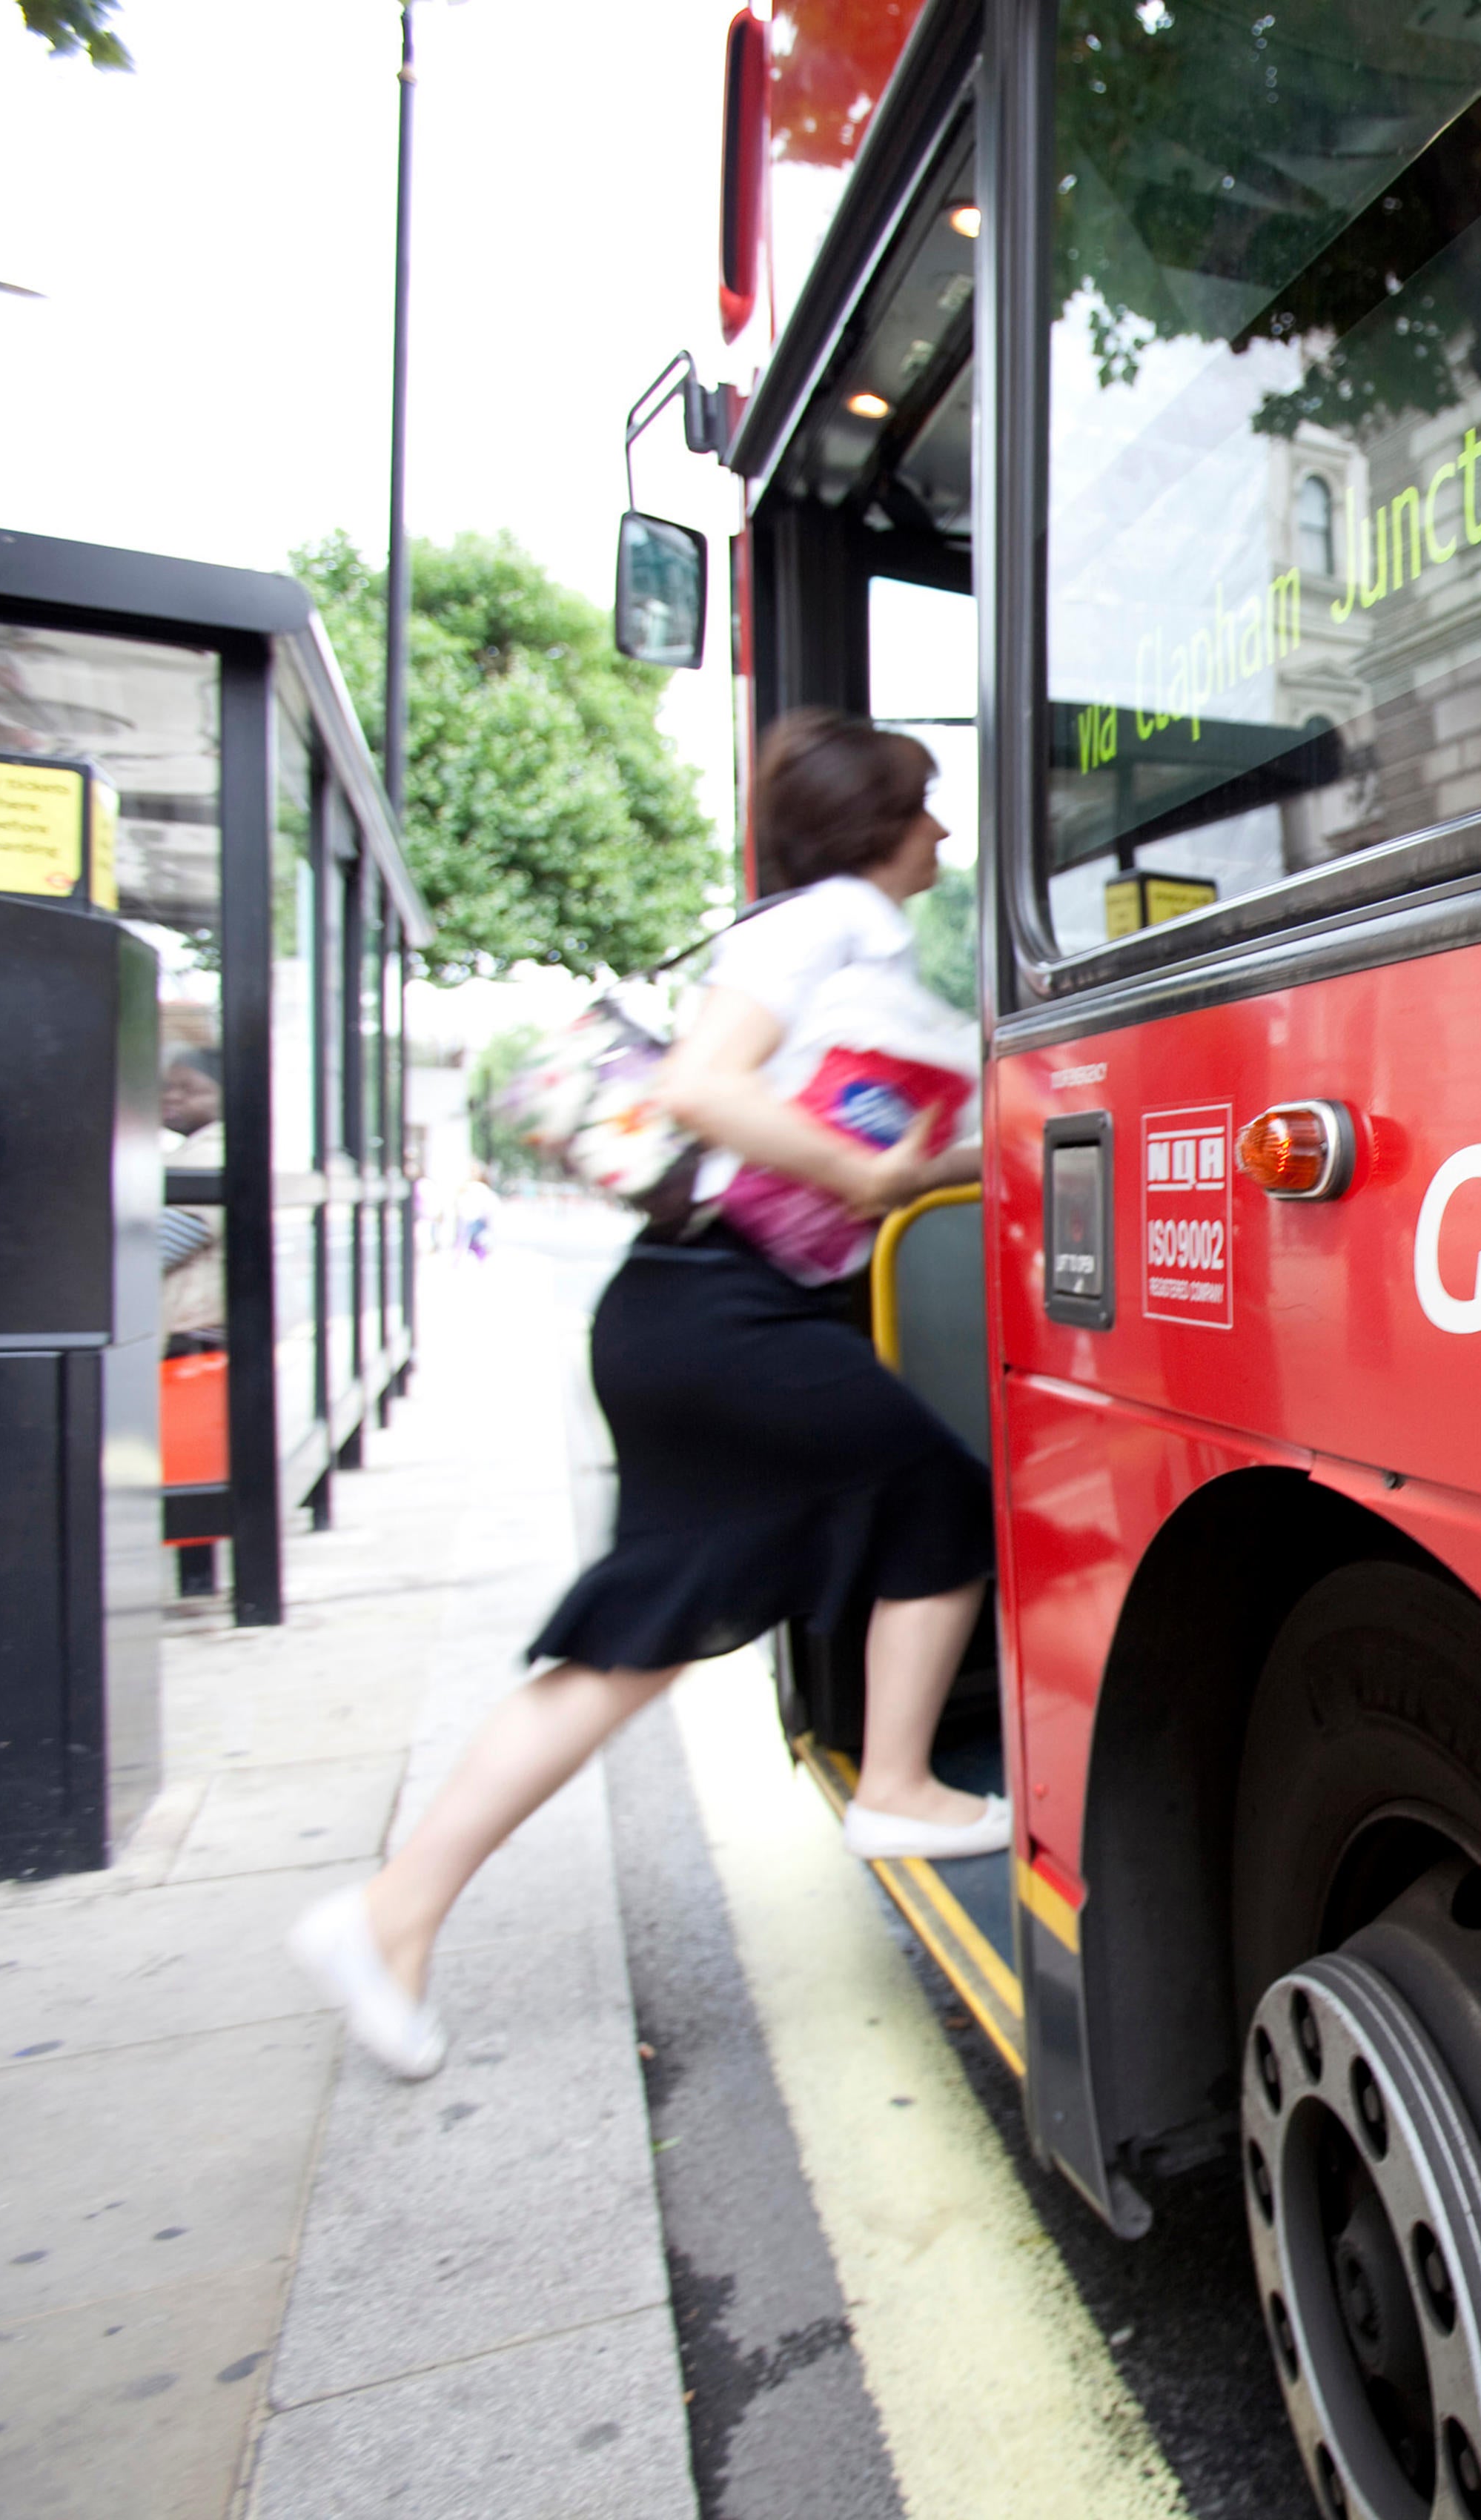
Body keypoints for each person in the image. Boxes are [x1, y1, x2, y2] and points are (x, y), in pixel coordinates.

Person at [291, 711, 998, 2080]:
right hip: (724, 1313)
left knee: (639, 1644)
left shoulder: (843, 934)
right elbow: (702, 1087)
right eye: (927, 806)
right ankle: (899, 1788)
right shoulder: (829, 921)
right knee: (941, 1501)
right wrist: (873, 1177)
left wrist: (939, 1155)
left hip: (694, 1312)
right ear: (878, 827)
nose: (946, 833)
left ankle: (391, 1914)